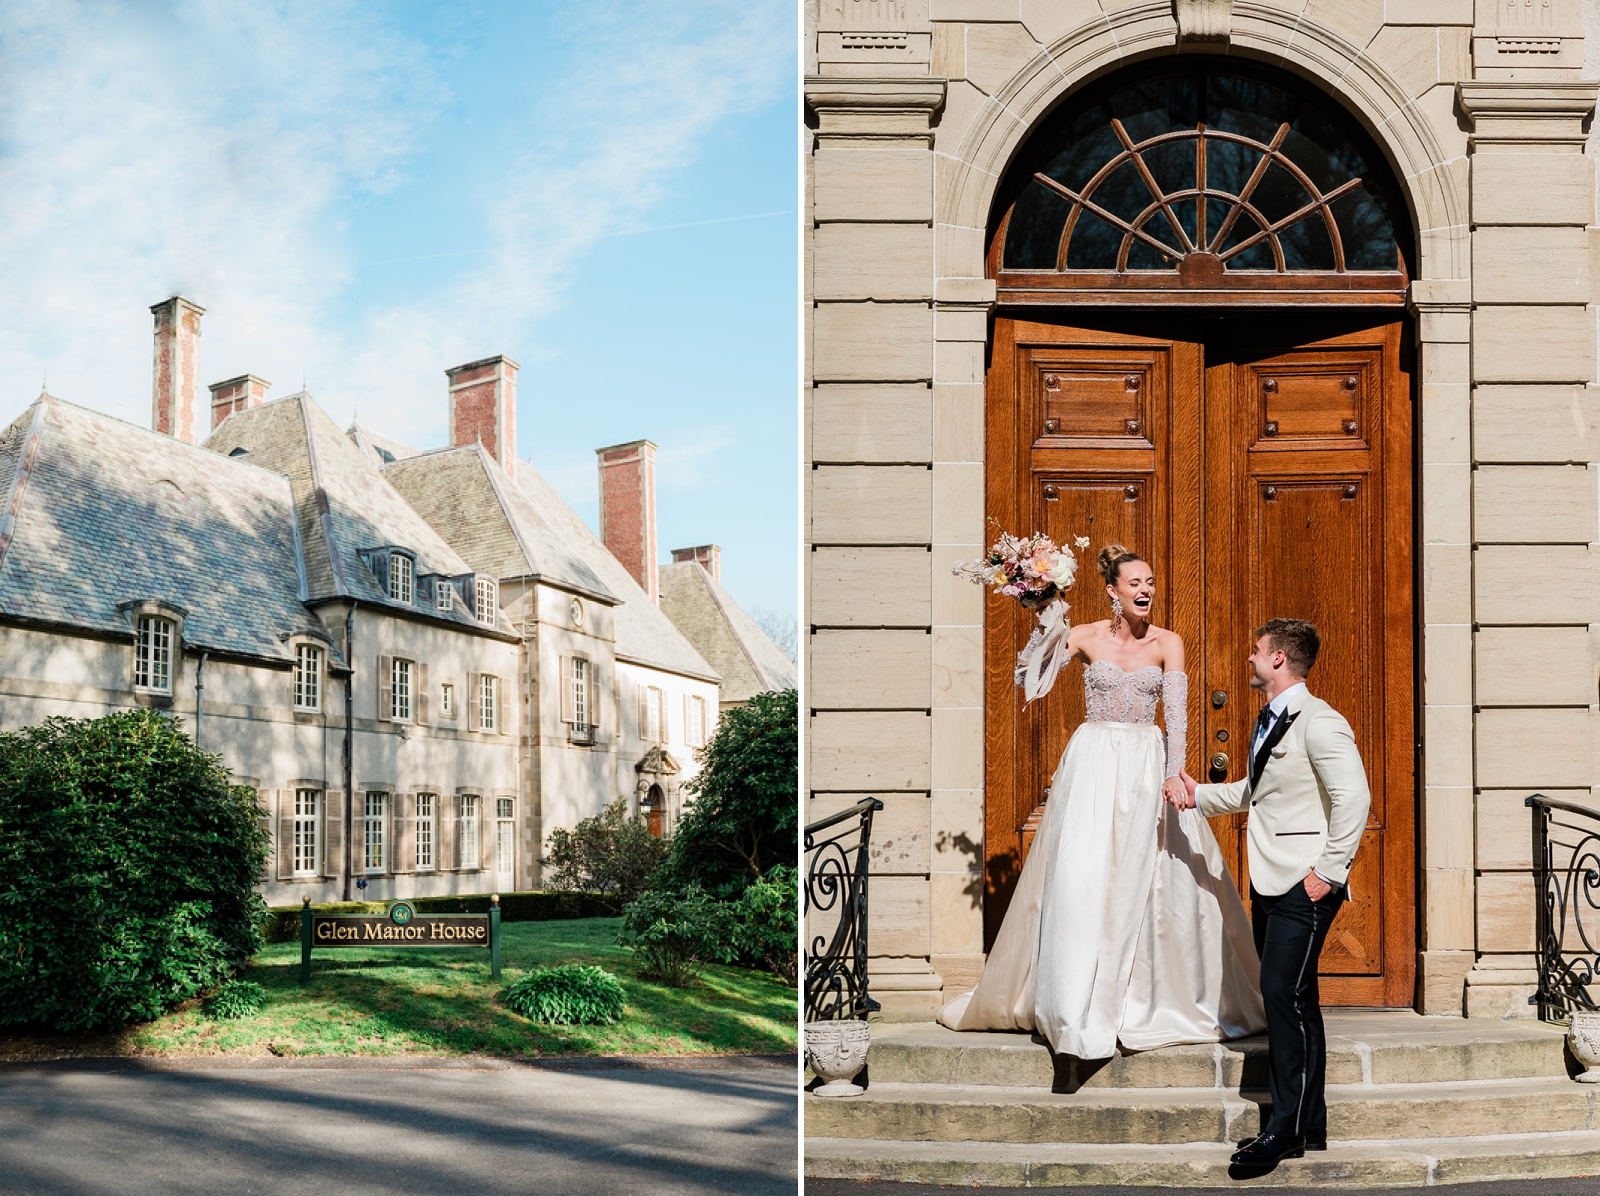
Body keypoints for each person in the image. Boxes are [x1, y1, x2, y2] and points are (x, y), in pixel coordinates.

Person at [937, 545, 1265, 1060]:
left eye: (1151, 582)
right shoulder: (1083, 635)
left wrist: (1175, 773)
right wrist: (1045, 622)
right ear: (1112, 590)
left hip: (1144, 761)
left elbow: (1175, 713)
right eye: (1135, 583)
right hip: (1092, 763)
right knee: (1082, 873)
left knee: (1156, 877)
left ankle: (1149, 998)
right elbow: (1031, 684)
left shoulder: (1168, 642)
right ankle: (1072, 1000)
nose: (1145, 591)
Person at [1167, 618, 1371, 1166]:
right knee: (1295, 998)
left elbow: (1355, 798)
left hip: (1305, 883)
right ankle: (1310, 1124)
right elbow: (1257, 792)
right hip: (1270, 878)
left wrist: (1328, 872)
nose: (1250, 656)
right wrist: (1198, 796)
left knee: (1282, 994)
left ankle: (1282, 1131)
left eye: (1257, 649)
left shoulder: (1321, 722)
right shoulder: (1269, 719)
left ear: (1278, 659)